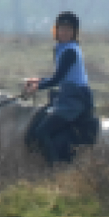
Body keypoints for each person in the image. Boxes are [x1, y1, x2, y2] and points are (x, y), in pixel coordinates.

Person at [23, 11, 96, 165]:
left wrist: (37, 86)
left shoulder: (70, 51)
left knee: (42, 131)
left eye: (69, 30)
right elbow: (61, 77)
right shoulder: (62, 48)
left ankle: (56, 169)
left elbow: (58, 79)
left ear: (74, 32)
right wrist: (37, 80)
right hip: (65, 95)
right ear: (56, 31)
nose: (64, 33)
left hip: (75, 99)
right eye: (61, 29)